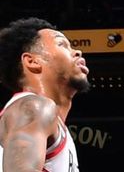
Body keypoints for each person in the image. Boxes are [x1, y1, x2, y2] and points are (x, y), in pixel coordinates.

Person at [0, 18, 90, 172]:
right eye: (62, 44)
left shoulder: (49, 120)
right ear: (32, 61)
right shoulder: (34, 107)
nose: (77, 51)